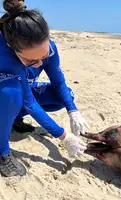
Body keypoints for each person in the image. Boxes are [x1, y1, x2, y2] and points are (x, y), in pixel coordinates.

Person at [0, 0, 90, 177]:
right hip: (7, 94)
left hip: (22, 92)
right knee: (12, 92)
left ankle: (14, 120)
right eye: (32, 61)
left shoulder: (50, 48)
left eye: (45, 55)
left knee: (63, 96)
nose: (40, 63)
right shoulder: (6, 56)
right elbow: (30, 103)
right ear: (13, 50)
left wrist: (73, 110)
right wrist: (64, 136)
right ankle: (2, 153)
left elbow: (59, 82)